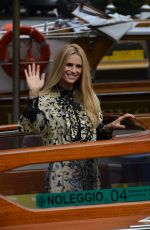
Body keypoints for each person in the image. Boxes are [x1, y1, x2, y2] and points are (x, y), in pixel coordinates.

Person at [19, 43, 135, 193]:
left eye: (78, 66)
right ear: (60, 65)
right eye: (69, 65)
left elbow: (94, 135)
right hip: (60, 179)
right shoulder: (45, 100)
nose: (74, 71)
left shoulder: (90, 98)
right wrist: (34, 94)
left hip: (90, 174)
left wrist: (108, 128)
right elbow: (29, 128)